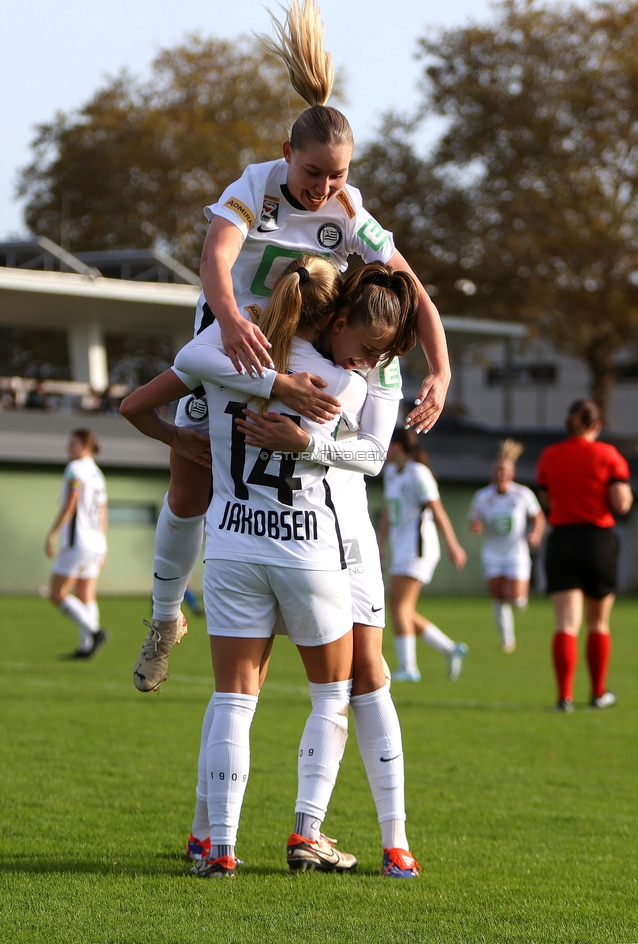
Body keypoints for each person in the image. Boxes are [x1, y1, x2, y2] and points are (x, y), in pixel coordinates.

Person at [131, 0, 452, 698]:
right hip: (232, 339)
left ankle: (320, 587)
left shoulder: (348, 207)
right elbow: (218, 254)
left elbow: (412, 290)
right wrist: (231, 317)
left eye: (337, 174)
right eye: (314, 173)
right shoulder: (255, 186)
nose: (324, 187)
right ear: (287, 157)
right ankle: (162, 618)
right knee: (191, 484)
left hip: (298, 347)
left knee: (324, 458)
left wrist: (442, 369)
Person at [121, 255, 422, 878]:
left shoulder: (226, 355)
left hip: (232, 546)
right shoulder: (347, 385)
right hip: (311, 551)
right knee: (332, 695)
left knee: (233, 698)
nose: (368, 360)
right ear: (334, 314)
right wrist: (304, 425)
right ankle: (306, 830)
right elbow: (368, 458)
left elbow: (143, 399)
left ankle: (219, 850)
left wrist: (186, 434)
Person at [536, 399, 633, 711]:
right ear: (597, 425)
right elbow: (620, 504)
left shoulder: (550, 455)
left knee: (566, 623)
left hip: (562, 539)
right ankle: (597, 692)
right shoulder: (609, 455)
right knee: (598, 623)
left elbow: (547, 497)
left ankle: (564, 696)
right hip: (597, 541)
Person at [379, 428, 468, 683]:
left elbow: (437, 510)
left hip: (418, 549)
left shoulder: (419, 473)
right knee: (403, 608)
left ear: (396, 446)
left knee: (398, 606)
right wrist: (380, 543)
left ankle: (409, 667)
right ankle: (449, 649)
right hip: (402, 548)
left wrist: (453, 545)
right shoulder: (391, 474)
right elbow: (388, 510)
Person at [468, 439, 545, 652]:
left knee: (515, 598)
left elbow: (538, 517)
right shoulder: (483, 497)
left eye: (505, 471)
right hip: (492, 553)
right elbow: (475, 517)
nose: (501, 474)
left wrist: (535, 534)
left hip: (516, 553)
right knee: (497, 596)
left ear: (511, 473)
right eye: (498, 470)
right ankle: (507, 641)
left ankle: (522, 600)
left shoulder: (522, 494)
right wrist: (476, 525)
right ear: (493, 473)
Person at [45, 429, 109, 658]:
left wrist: (52, 533)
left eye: (72, 444)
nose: (68, 448)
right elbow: (103, 511)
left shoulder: (75, 469)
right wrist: (104, 545)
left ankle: (95, 631)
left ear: (86, 445)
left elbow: (71, 503)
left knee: (57, 593)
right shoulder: (98, 474)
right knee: (86, 594)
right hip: (96, 542)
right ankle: (86, 647)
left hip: (77, 541)